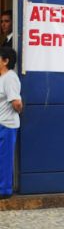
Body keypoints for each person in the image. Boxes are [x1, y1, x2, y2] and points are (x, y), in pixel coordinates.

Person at [0, 47, 22, 199]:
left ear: (5, 61)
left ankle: (5, 190)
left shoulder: (10, 77)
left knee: (5, 158)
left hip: (7, 125)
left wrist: (19, 109)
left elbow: (17, 102)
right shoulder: (3, 77)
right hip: (2, 123)